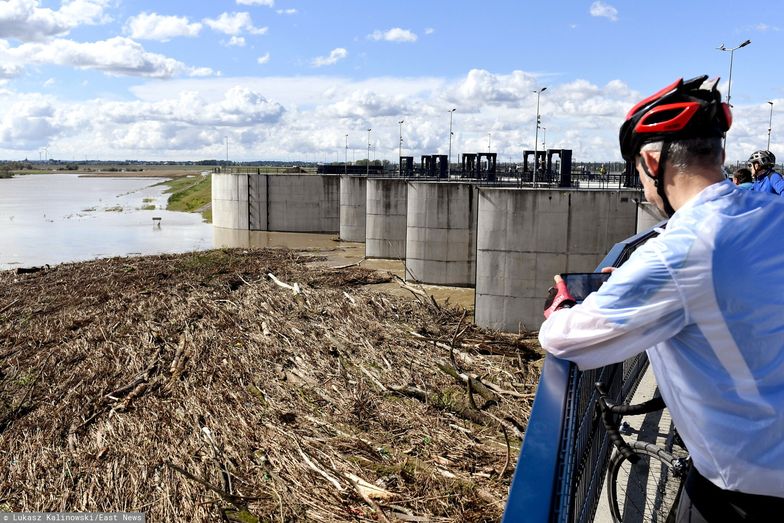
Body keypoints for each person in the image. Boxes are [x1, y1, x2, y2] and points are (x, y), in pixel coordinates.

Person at [539, 75, 784, 522]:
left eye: (638, 171)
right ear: (722, 154)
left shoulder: (683, 250)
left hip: (748, 489)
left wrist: (562, 304)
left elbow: (566, 340)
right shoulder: (772, 212)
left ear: (652, 162)